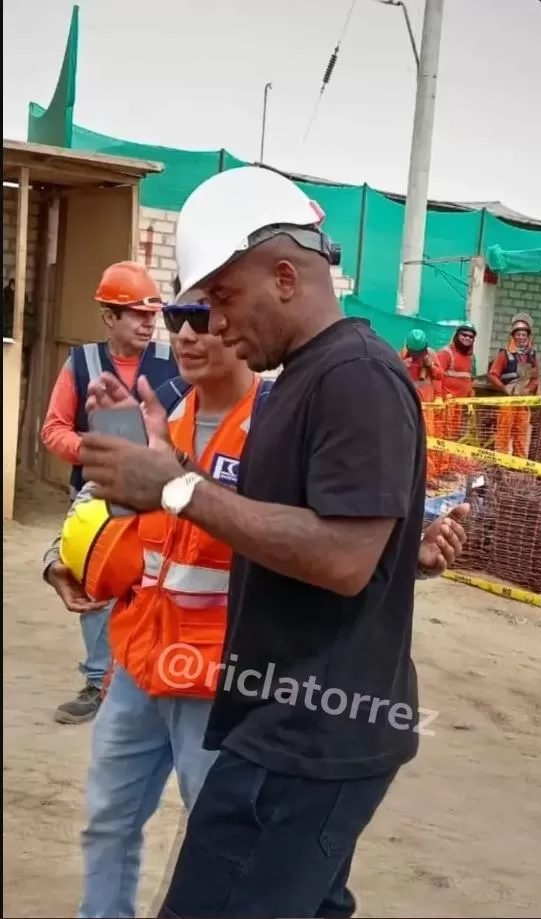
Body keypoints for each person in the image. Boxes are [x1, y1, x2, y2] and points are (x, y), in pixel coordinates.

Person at [78, 165, 470, 919]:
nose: (212, 325)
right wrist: (169, 468)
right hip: (286, 719)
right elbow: (314, 534)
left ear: (285, 277)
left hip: (309, 737)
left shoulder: (354, 376)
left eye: (223, 299)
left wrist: (175, 487)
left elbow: (341, 558)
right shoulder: (302, 380)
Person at [42, 298, 272, 918]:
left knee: (215, 842)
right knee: (107, 824)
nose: (188, 334)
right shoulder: (160, 410)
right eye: (177, 319)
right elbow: (99, 502)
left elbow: (312, 534)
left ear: (237, 322)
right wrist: (55, 560)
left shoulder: (277, 424)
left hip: (216, 681)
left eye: (204, 316)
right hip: (137, 665)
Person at [40, 260, 178, 725]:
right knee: (94, 583)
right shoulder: (81, 363)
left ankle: (141, 679)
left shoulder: (171, 366)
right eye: (136, 314)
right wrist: (98, 451)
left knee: (152, 588)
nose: (147, 322)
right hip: (97, 503)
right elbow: (54, 430)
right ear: (109, 317)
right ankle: (98, 681)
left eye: (151, 313)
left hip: (157, 504)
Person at [488, 313, 541, 457]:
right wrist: (504, 388)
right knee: (504, 432)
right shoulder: (505, 355)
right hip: (508, 401)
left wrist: (527, 390)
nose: (521, 337)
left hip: (523, 402)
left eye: (524, 335)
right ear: (513, 336)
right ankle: (501, 461)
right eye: (518, 334)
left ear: (528, 337)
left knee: (521, 433)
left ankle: (519, 463)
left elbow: (536, 379)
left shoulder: (532, 356)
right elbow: (492, 375)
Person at [401, 328, 444, 481]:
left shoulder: (431, 354)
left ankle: (428, 475)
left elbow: (439, 375)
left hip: (427, 404)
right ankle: (408, 473)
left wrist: (431, 366)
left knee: (429, 438)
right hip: (408, 404)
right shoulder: (401, 356)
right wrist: (402, 366)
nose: (418, 356)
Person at [436, 320, 476, 443]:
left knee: (454, 437)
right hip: (446, 406)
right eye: (464, 335)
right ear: (457, 335)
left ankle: (448, 462)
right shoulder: (445, 353)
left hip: (460, 406)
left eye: (471, 336)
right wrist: (439, 397)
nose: (467, 338)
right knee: (442, 437)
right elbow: (436, 377)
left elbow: (469, 381)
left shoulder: (471, 357)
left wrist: (470, 402)